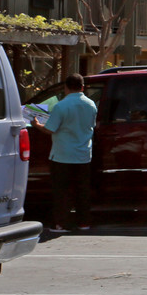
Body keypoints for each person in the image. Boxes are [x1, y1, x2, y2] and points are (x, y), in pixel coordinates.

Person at [31, 73, 97, 233]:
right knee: (82, 191)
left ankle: (61, 224)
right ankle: (84, 223)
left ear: (66, 88)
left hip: (62, 155)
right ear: (82, 87)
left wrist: (36, 124)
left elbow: (49, 129)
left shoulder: (61, 106)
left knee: (62, 191)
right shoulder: (91, 104)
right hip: (83, 155)